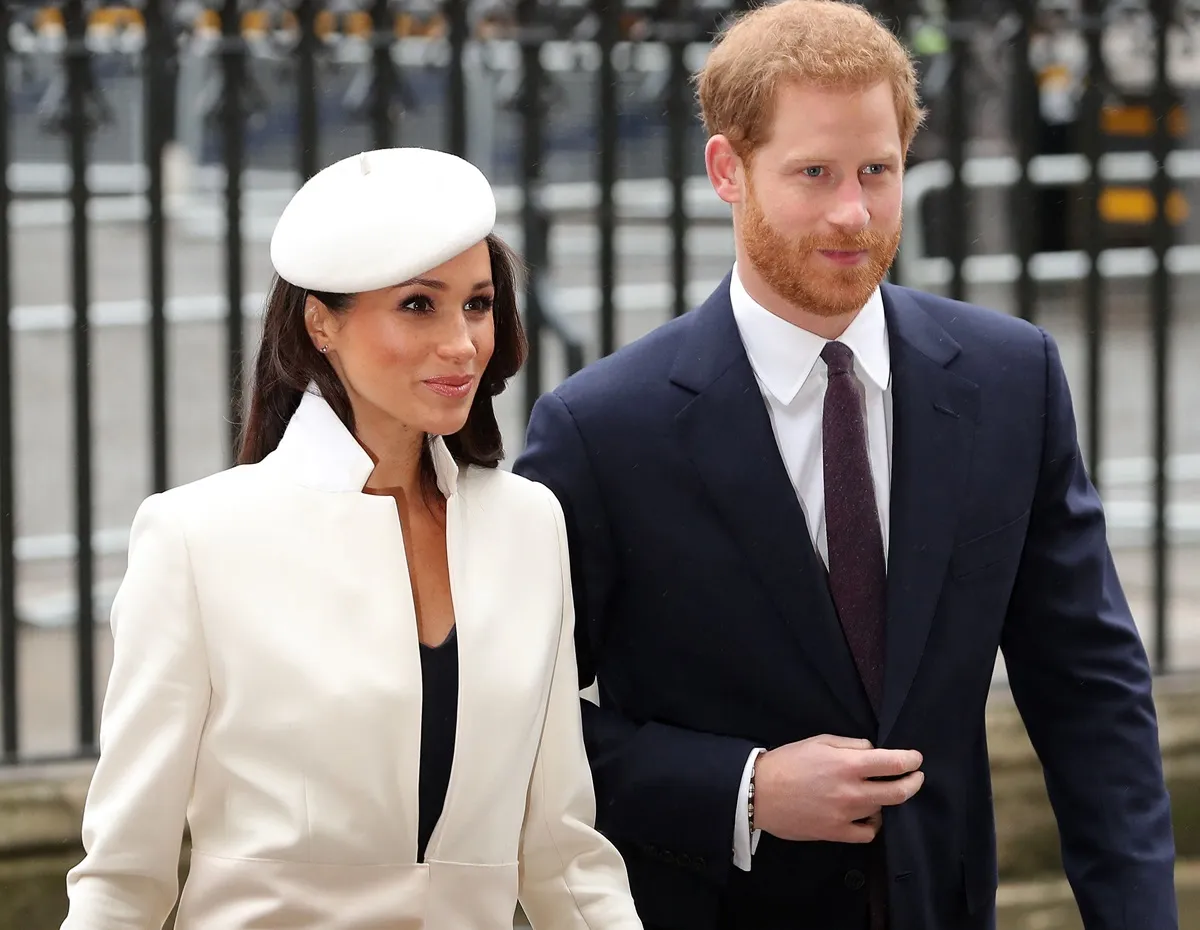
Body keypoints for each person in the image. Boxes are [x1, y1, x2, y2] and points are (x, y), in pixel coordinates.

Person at [513, 3, 1177, 929]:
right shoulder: (603, 428)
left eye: (878, 171)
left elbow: (1090, 688)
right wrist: (741, 788)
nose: (853, 212)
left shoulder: (1010, 377)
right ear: (726, 171)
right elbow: (511, 723)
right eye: (813, 173)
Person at [61, 147, 643, 930]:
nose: (463, 342)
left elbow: (564, 856)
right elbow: (123, 880)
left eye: (476, 304)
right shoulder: (197, 540)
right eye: (417, 305)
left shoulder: (529, 524)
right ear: (320, 322)